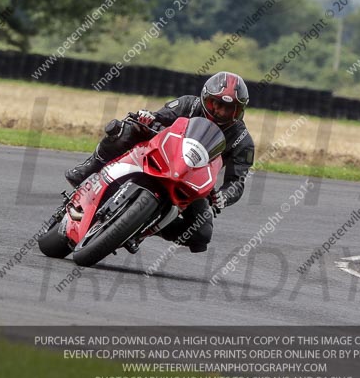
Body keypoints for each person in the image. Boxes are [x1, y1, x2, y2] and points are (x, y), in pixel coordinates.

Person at [65, 71, 254, 253]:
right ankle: (89, 167)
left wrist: (224, 197)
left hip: (193, 180)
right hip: (163, 153)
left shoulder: (242, 141)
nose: (221, 112)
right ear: (205, 99)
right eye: (216, 104)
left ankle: (147, 225)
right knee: (126, 129)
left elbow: (237, 182)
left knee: (201, 234)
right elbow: (159, 117)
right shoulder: (188, 104)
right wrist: (149, 118)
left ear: (239, 111)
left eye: (229, 109)